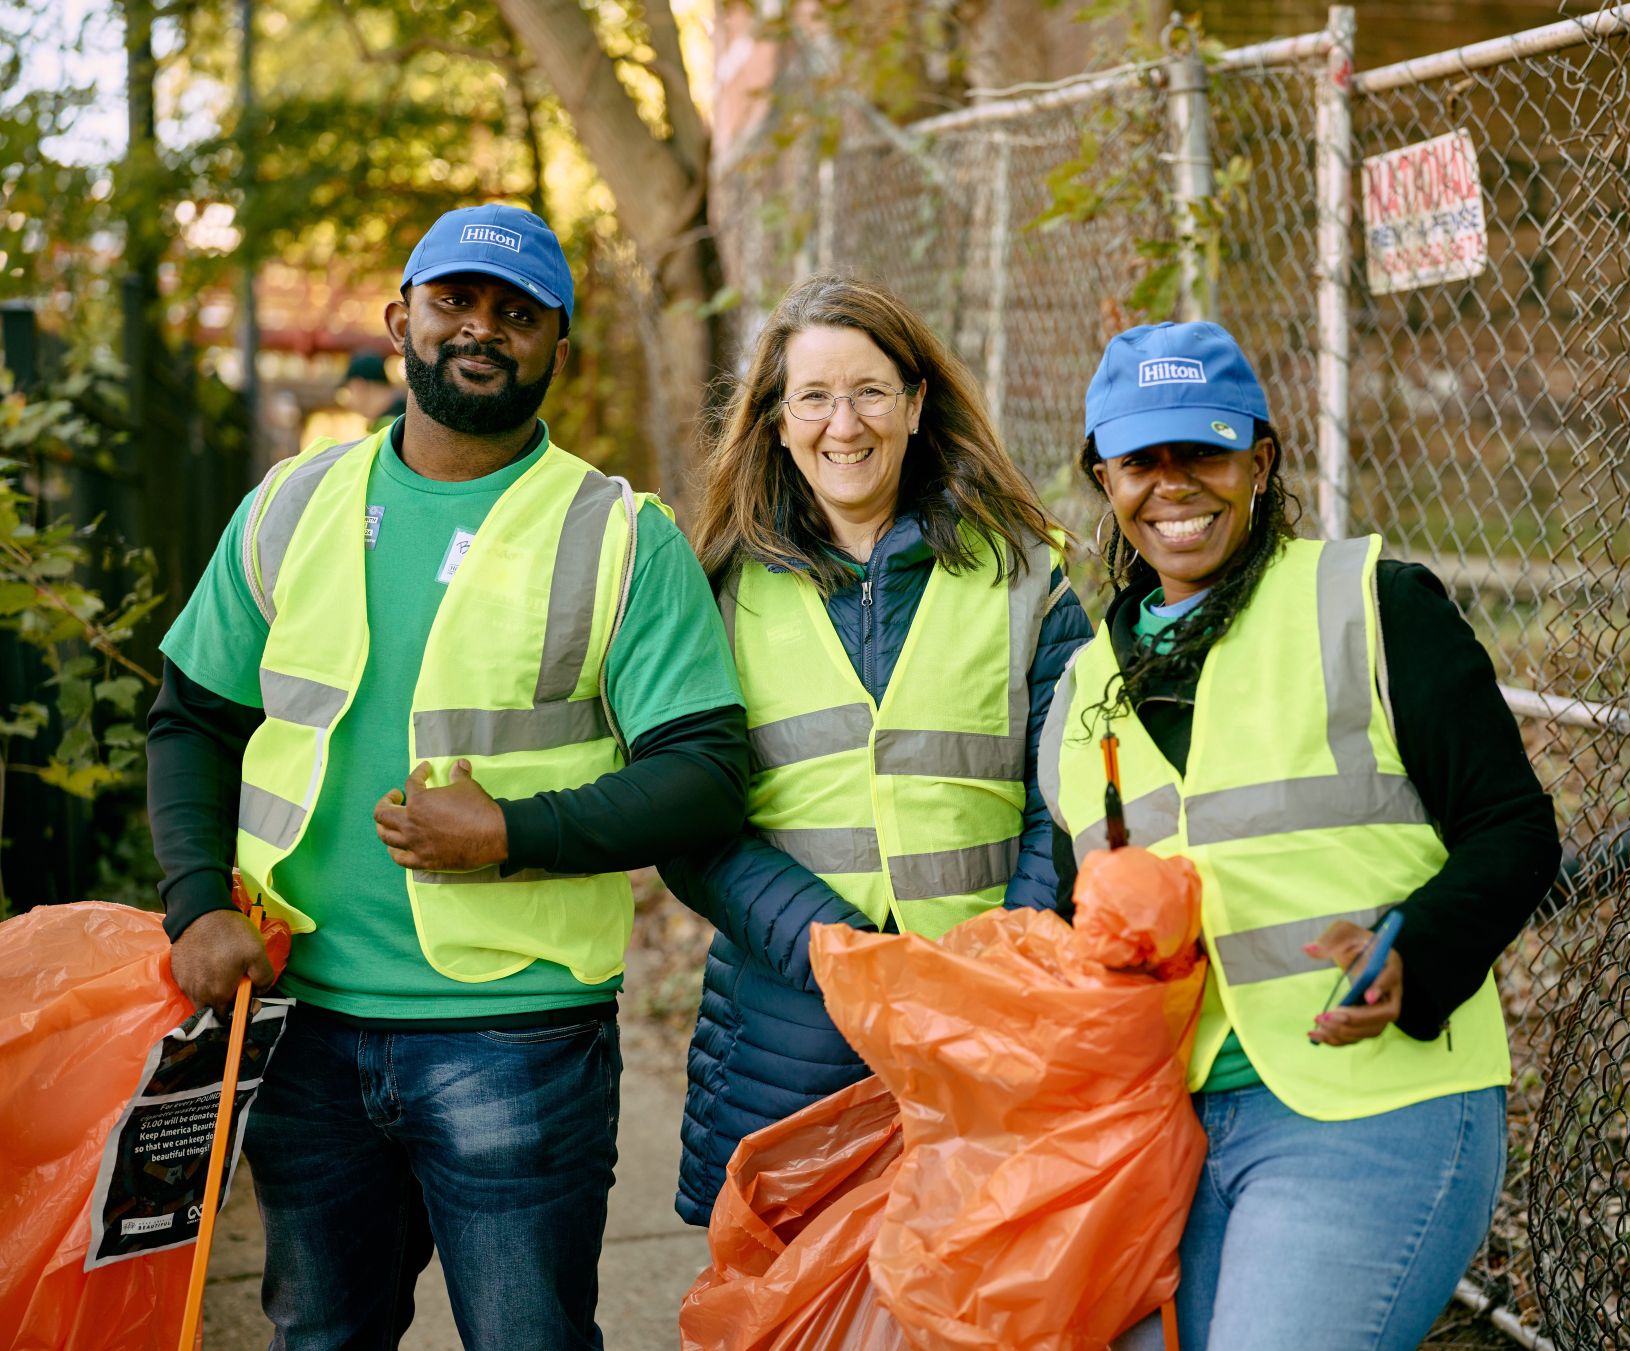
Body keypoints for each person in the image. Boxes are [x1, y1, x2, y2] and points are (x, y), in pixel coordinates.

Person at [147, 203, 748, 1350]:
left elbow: (706, 774)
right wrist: (194, 903)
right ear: (399, 322)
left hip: (517, 1039)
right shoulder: (287, 508)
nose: (484, 327)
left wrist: (511, 830)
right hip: (302, 1023)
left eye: (518, 313)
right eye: (456, 301)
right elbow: (191, 718)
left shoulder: (619, 534)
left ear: (556, 348)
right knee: (322, 1336)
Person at [1044, 322, 1561, 1351]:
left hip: (1372, 1111)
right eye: (1143, 459)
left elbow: (1514, 829)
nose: (1175, 484)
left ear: (1262, 460)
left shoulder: (1373, 606)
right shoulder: (1080, 691)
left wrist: (1412, 947)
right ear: (1103, 476)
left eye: (1206, 452)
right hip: (1169, 1132)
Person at [658, 273, 1093, 1225]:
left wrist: (998, 956)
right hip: (789, 1026)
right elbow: (688, 815)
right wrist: (829, 947)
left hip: (982, 1018)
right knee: (786, 1305)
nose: (842, 424)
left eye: (868, 392)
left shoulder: (1023, 571)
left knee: (974, 1299)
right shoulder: (715, 590)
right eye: (813, 396)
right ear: (776, 420)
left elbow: (1068, 786)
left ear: (916, 402)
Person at [338, 349, 408, 431]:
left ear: (359, 385)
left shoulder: (389, 426)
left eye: (348, 390)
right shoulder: (404, 413)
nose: (347, 402)